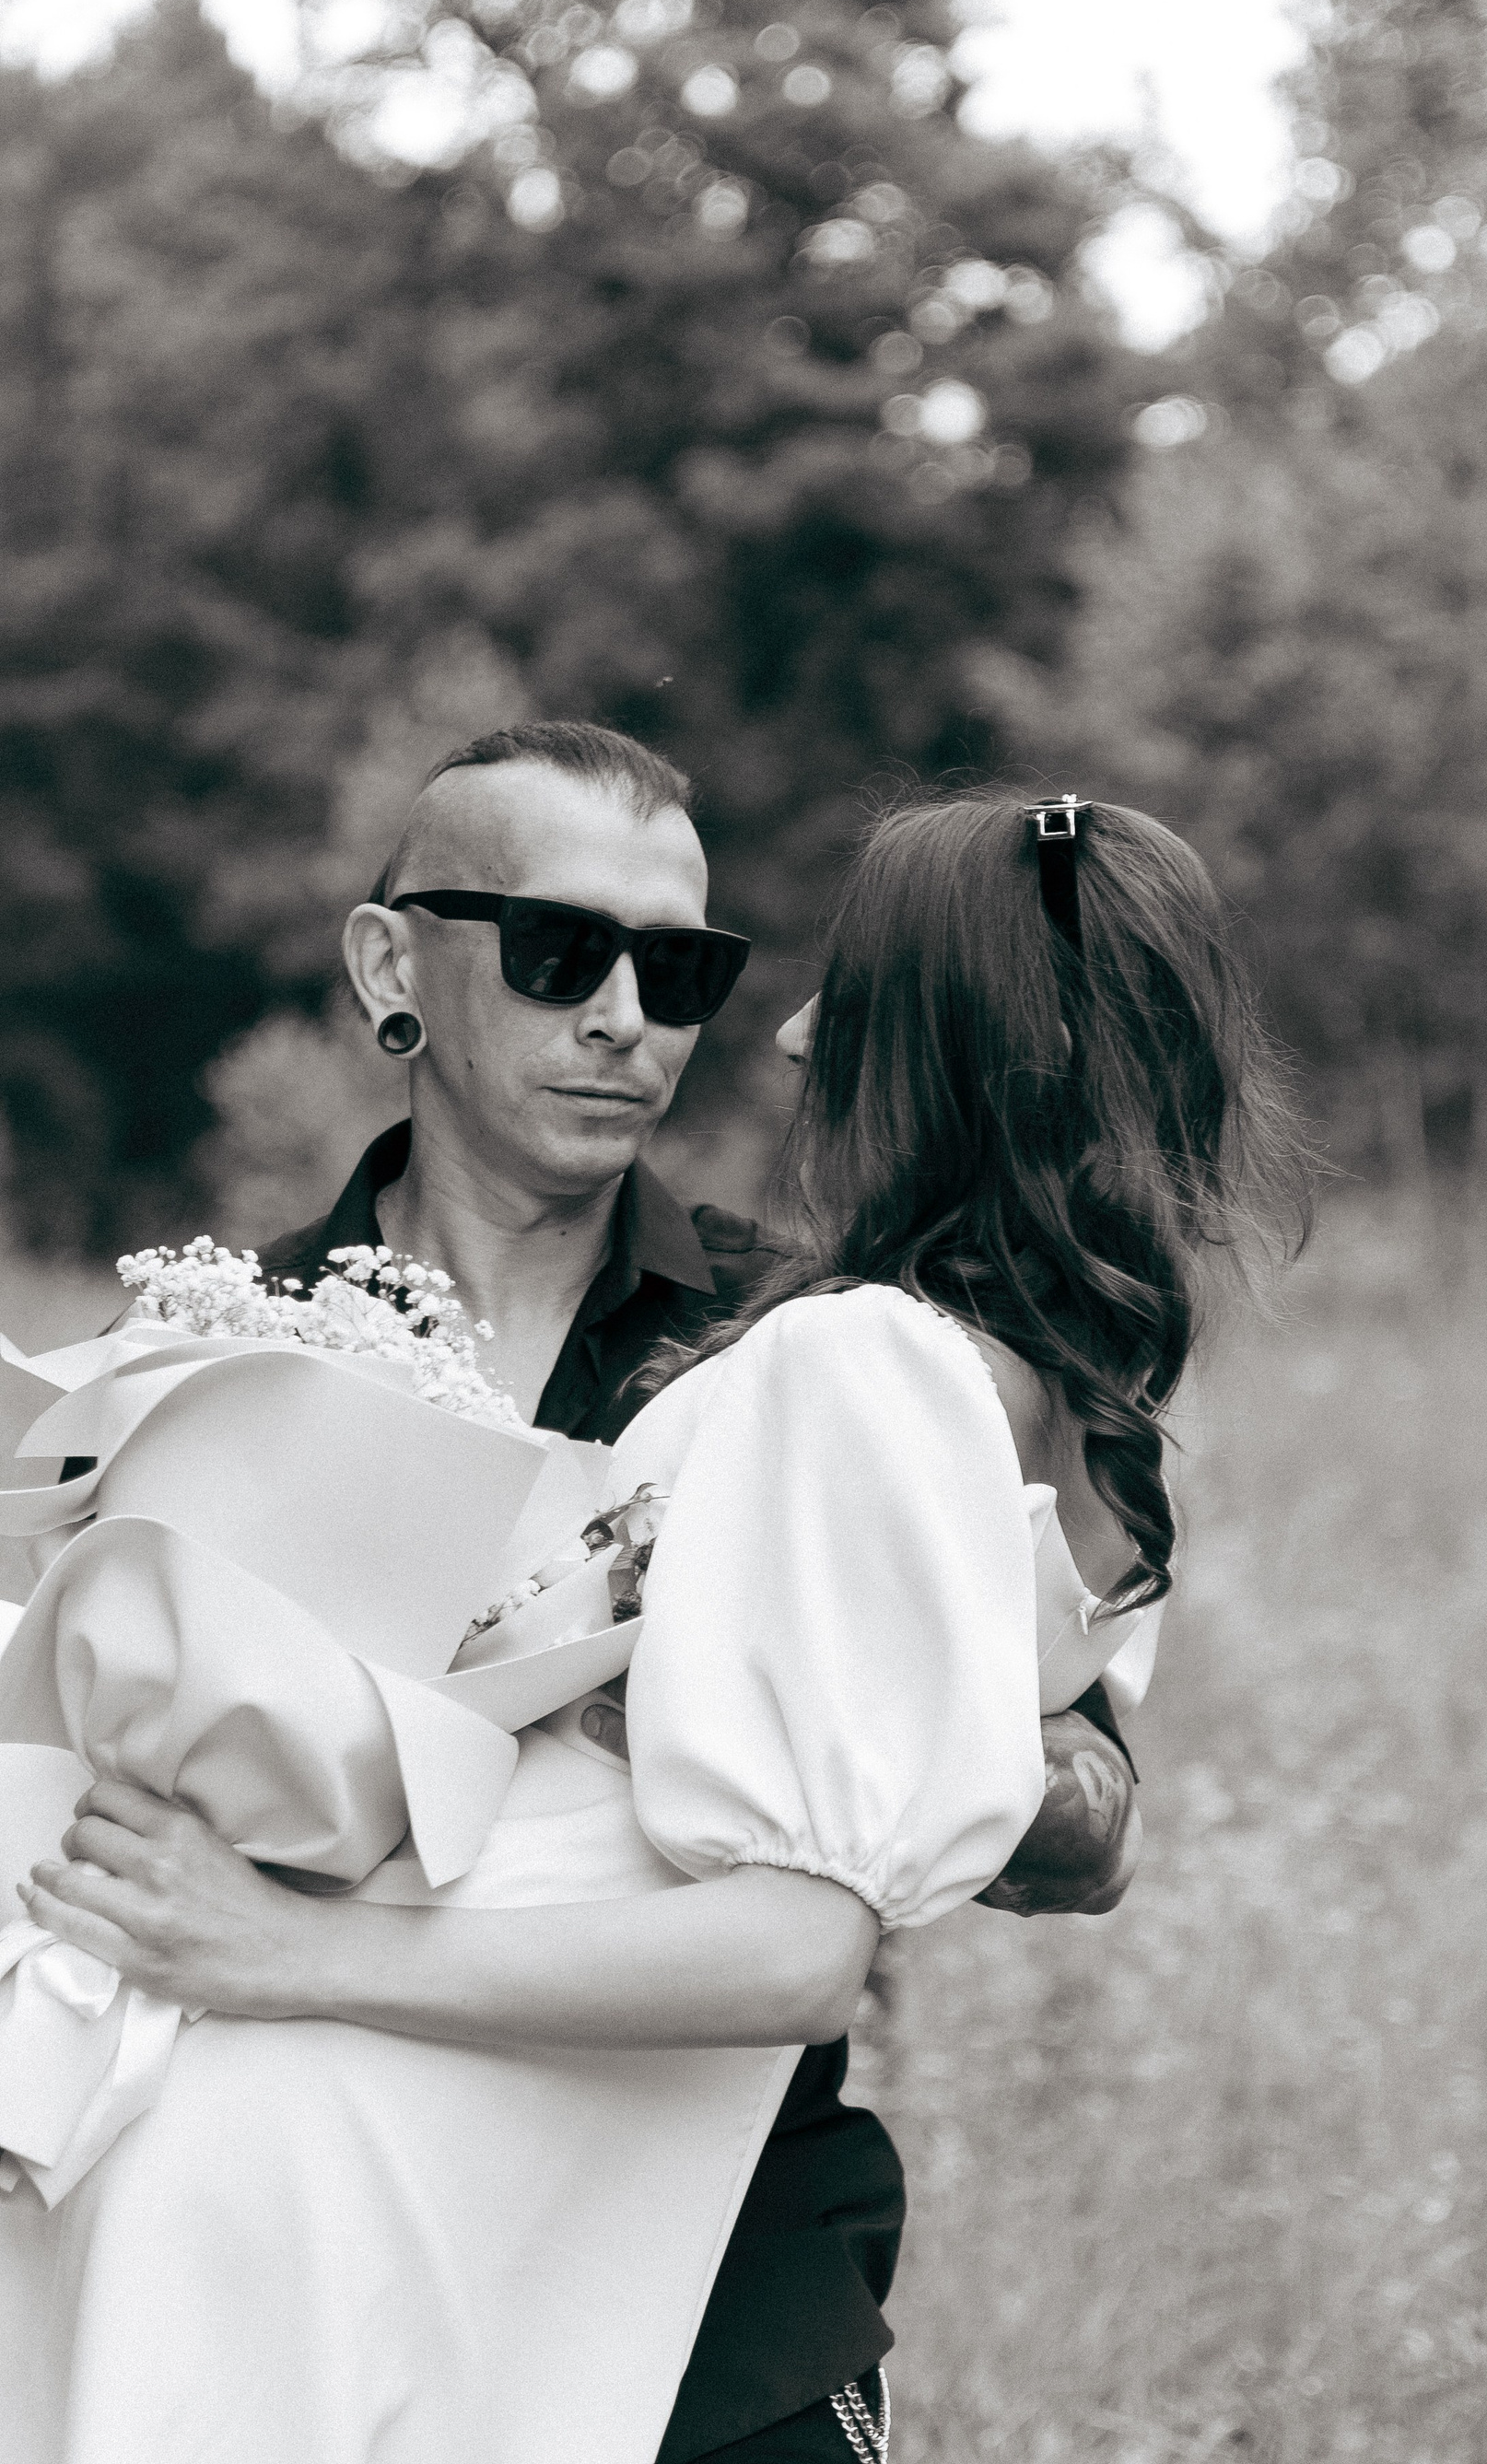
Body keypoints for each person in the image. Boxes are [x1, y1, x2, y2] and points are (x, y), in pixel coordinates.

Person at [12, 728, 1155, 2464]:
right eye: (560, 954)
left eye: (681, 971)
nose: (628, 1017)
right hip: (307, 2293)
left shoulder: (815, 1351)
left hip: (720, 2298)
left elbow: (1086, 1823)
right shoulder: (203, 1366)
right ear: (392, 967)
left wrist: (838, 1712)